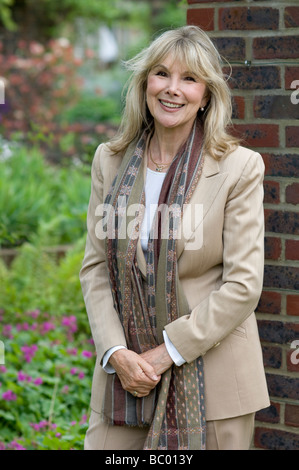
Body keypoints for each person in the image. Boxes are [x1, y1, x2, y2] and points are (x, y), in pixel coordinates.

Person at [79, 25, 270, 451]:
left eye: (189, 79)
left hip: (213, 382)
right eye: (162, 73)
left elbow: (242, 286)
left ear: (206, 95)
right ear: (145, 82)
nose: (172, 89)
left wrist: (166, 352)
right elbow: (95, 269)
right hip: (124, 383)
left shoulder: (239, 168)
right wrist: (116, 353)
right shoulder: (110, 162)